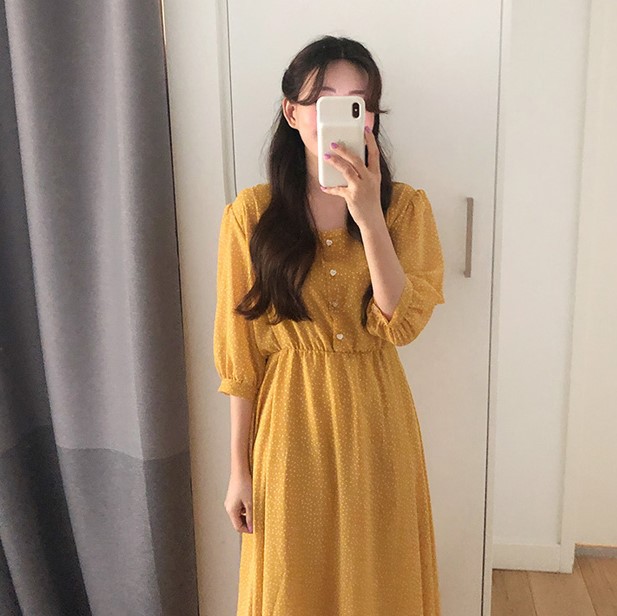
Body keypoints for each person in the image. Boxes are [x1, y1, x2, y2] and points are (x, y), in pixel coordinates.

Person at [213, 34, 446, 616]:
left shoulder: (403, 209)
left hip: (378, 420)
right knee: (292, 578)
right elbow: (241, 359)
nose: (340, 116)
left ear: (371, 118)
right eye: (323, 101)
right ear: (292, 113)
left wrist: (368, 216)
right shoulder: (251, 216)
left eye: (357, 103)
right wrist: (238, 470)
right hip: (289, 426)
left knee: (379, 577)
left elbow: (400, 324)